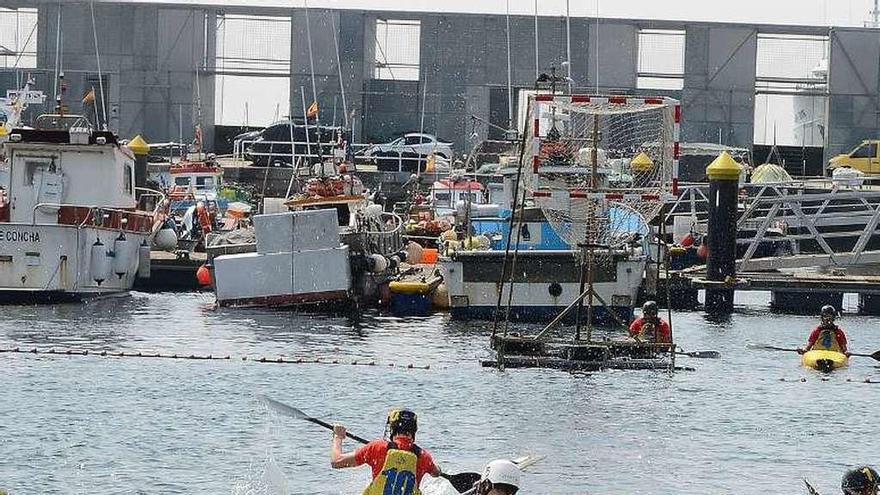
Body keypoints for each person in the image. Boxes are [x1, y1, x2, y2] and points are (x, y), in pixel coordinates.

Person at [330, 409, 441, 494]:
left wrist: (338, 437)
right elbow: (436, 473)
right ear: (413, 431)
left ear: (392, 429)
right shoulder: (423, 456)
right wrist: (437, 468)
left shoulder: (377, 447)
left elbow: (336, 462)